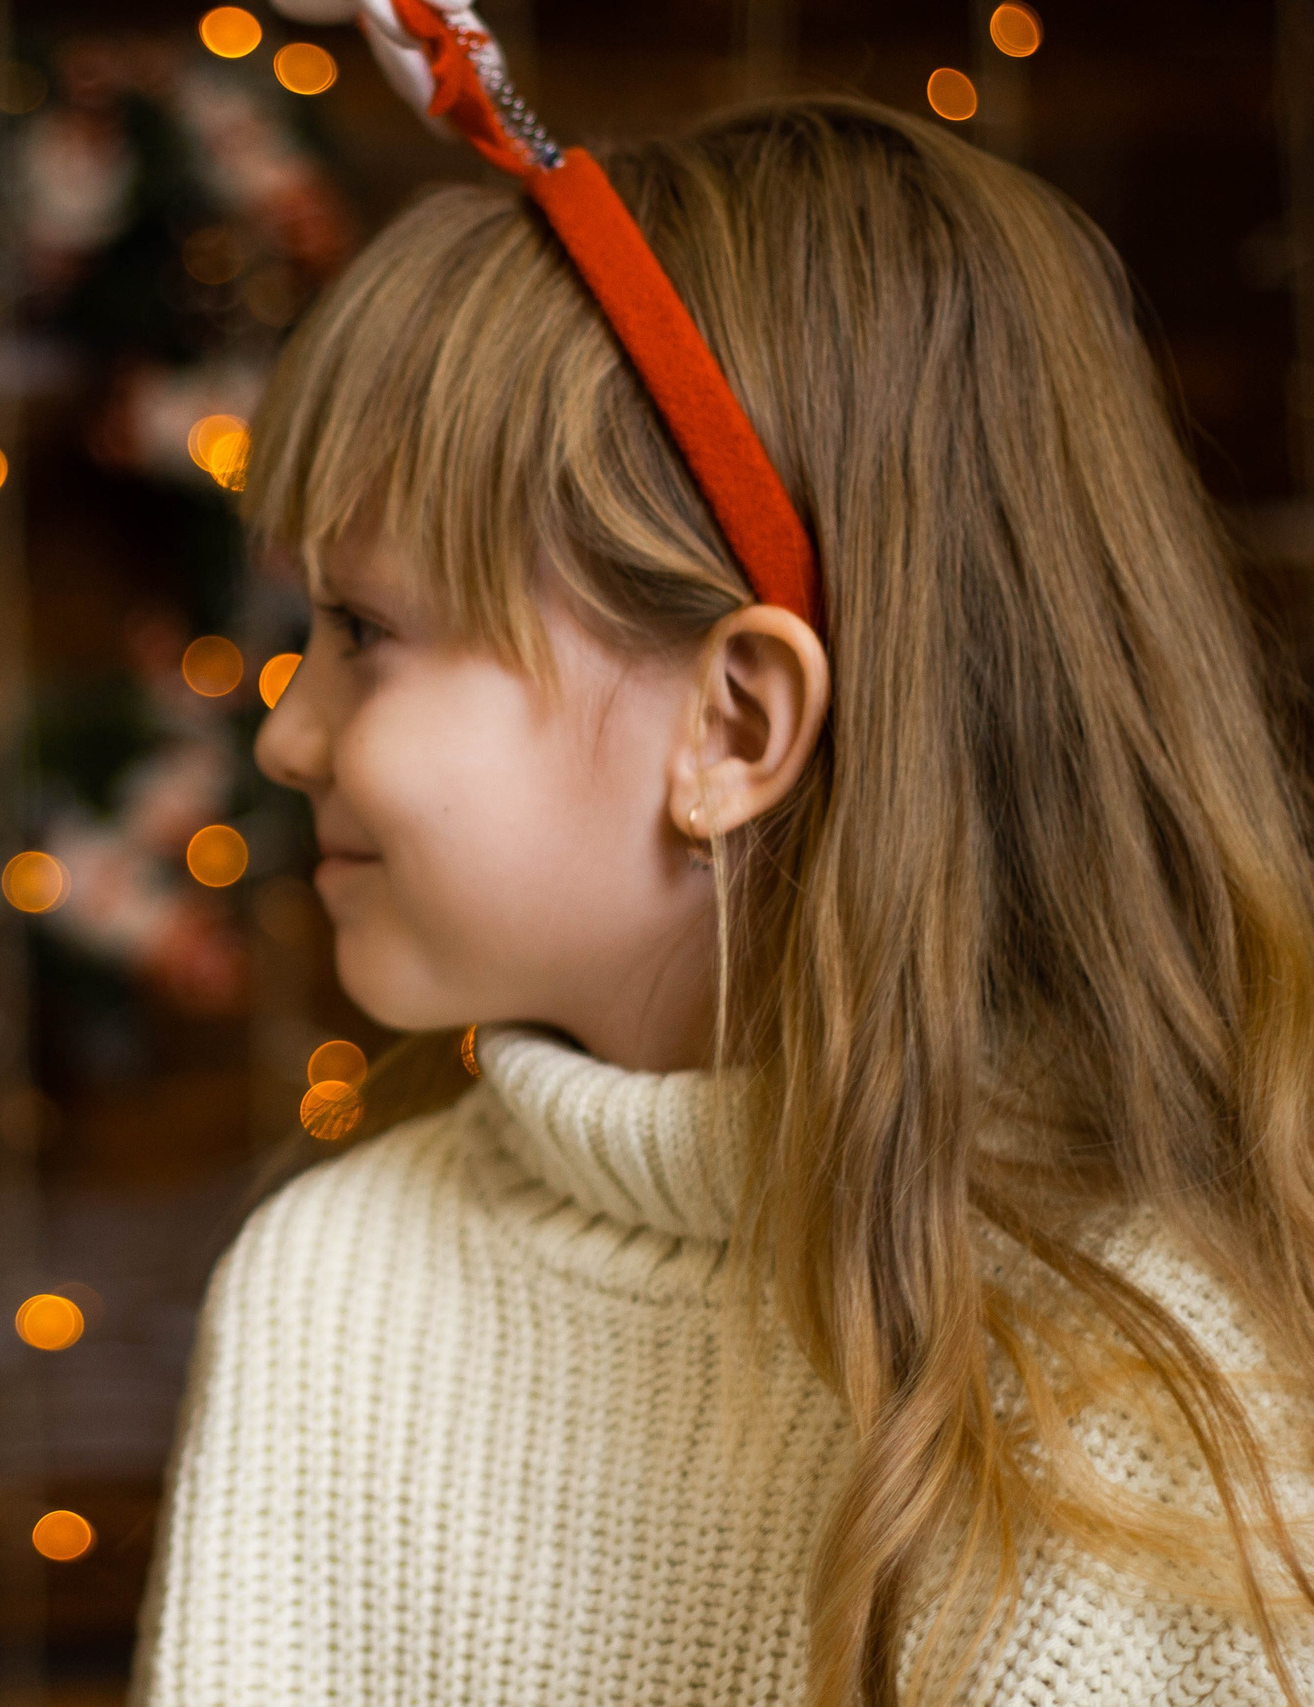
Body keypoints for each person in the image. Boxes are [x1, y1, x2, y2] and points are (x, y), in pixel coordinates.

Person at [135, 87, 1314, 1707]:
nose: (283, 731)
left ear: (733, 726)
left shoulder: (1172, 1404)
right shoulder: (326, 1291)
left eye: (366, 633)